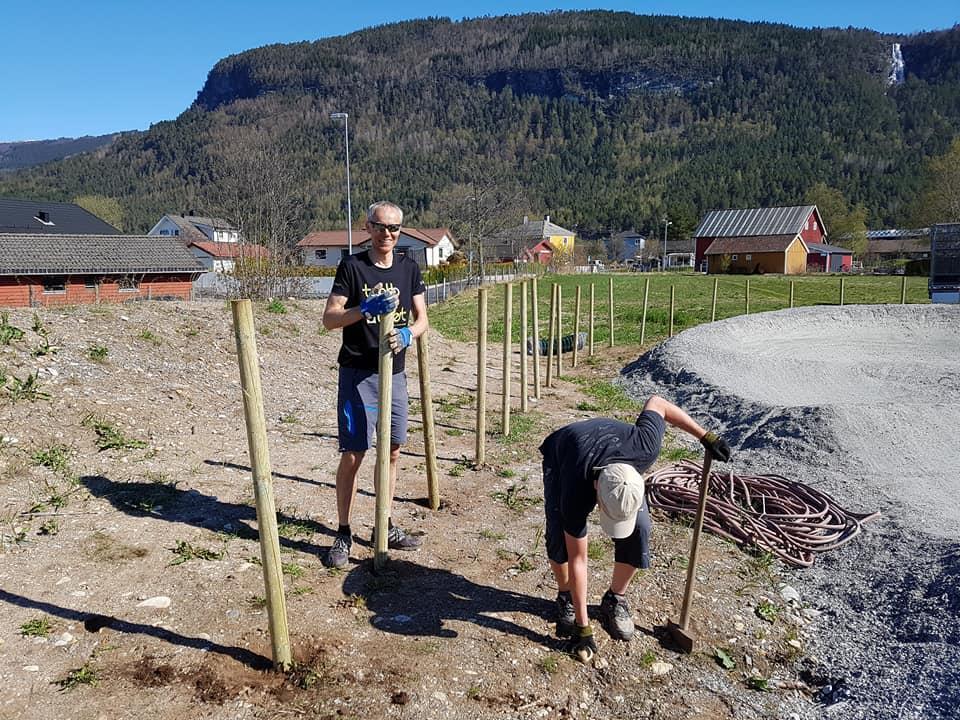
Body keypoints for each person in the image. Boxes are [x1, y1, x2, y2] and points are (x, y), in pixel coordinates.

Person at [539, 395, 731, 661]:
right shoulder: (576, 489)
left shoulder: (644, 448)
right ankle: (566, 596)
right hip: (564, 451)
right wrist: (584, 627)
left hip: (618, 467)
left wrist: (705, 436)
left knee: (640, 528)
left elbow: (658, 403)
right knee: (559, 534)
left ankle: (614, 598)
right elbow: (579, 558)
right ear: (596, 492)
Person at [321, 200, 430, 568]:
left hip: (394, 374)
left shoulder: (408, 267)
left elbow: (422, 319)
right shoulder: (353, 267)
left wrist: (408, 335)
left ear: (401, 232)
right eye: (380, 227)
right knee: (355, 453)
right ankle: (344, 531)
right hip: (358, 374)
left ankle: (383, 523)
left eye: (394, 228)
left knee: (394, 450)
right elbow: (330, 319)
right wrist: (363, 311)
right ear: (367, 228)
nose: (387, 234)